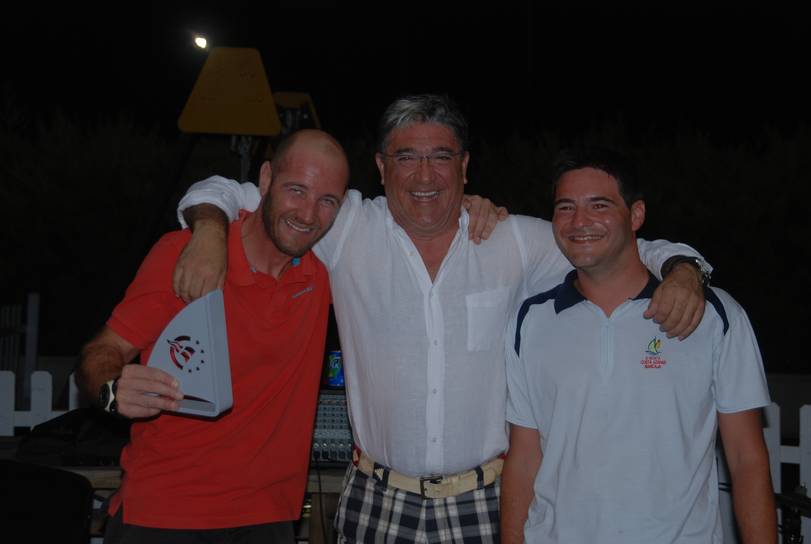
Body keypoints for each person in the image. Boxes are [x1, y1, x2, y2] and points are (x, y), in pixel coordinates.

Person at [174, 95, 710, 542]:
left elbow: (610, 244)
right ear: (381, 167)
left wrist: (683, 268)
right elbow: (228, 191)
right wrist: (209, 230)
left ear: (465, 166)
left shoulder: (510, 240)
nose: (425, 175)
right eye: (406, 157)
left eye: (441, 157)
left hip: (486, 500)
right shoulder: (346, 227)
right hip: (376, 498)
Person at [75, 129, 349, 543]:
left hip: (268, 515)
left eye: (327, 201)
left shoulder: (323, 274)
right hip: (166, 512)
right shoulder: (187, 255)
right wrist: (113, 392)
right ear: (266, 179)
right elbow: (101, 352)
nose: (308, 214)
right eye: (297, 190)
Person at [501, 147, 776, 543]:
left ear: (636, 215)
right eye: (565, 207)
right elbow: (524, 458)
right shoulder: (530, 320)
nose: (579, 221)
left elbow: (746, 458)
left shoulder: (714, 314)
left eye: (599, 205)